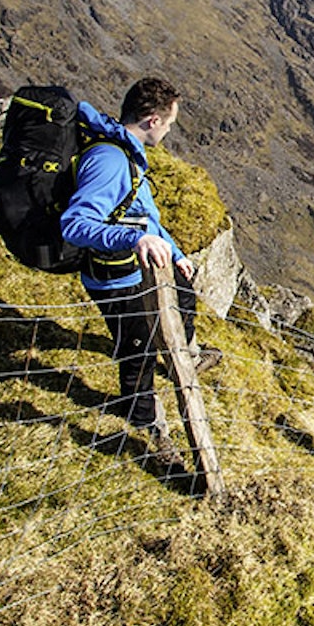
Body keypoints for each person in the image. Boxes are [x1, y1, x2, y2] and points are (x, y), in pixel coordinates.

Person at [60, 77, 220, 468]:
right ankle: (146, 428)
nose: (169, 130)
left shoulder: (128, 154)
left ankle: (182, 356)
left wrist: (176, 253)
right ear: (152, 120)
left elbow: (144, 217)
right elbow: (75, 224)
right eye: (168, 123)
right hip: (116, 279)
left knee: (183, 295)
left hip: (145, 270)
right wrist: (132, 242)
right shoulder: (110, 162)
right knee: (137, 353)